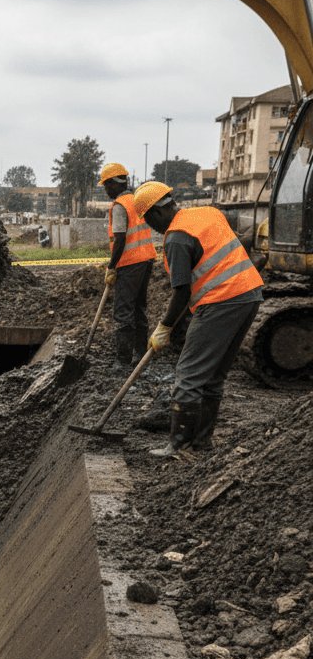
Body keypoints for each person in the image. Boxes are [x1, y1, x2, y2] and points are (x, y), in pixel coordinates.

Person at [135, 181, 264, 456]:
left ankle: (178, 445)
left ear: (156, 212)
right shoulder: (208, 212)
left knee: (189, 376)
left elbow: (181, 291)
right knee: (214, 377)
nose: (150, 226)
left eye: (147, 219)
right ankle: (201, 443)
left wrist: (164, 327)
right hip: (250, 295)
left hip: (221, 301)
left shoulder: (176, 237)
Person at [100, 162, 157, 370]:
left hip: (130, 263)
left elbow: (120, 239)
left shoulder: (119, 206)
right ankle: (141, 356)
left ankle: (123, 360)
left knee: (123, 312)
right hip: (146, 259)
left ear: (114, 183)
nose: (106, 190)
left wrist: (112, 267)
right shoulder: (136, 201)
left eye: (107, 185)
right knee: (139, 310)